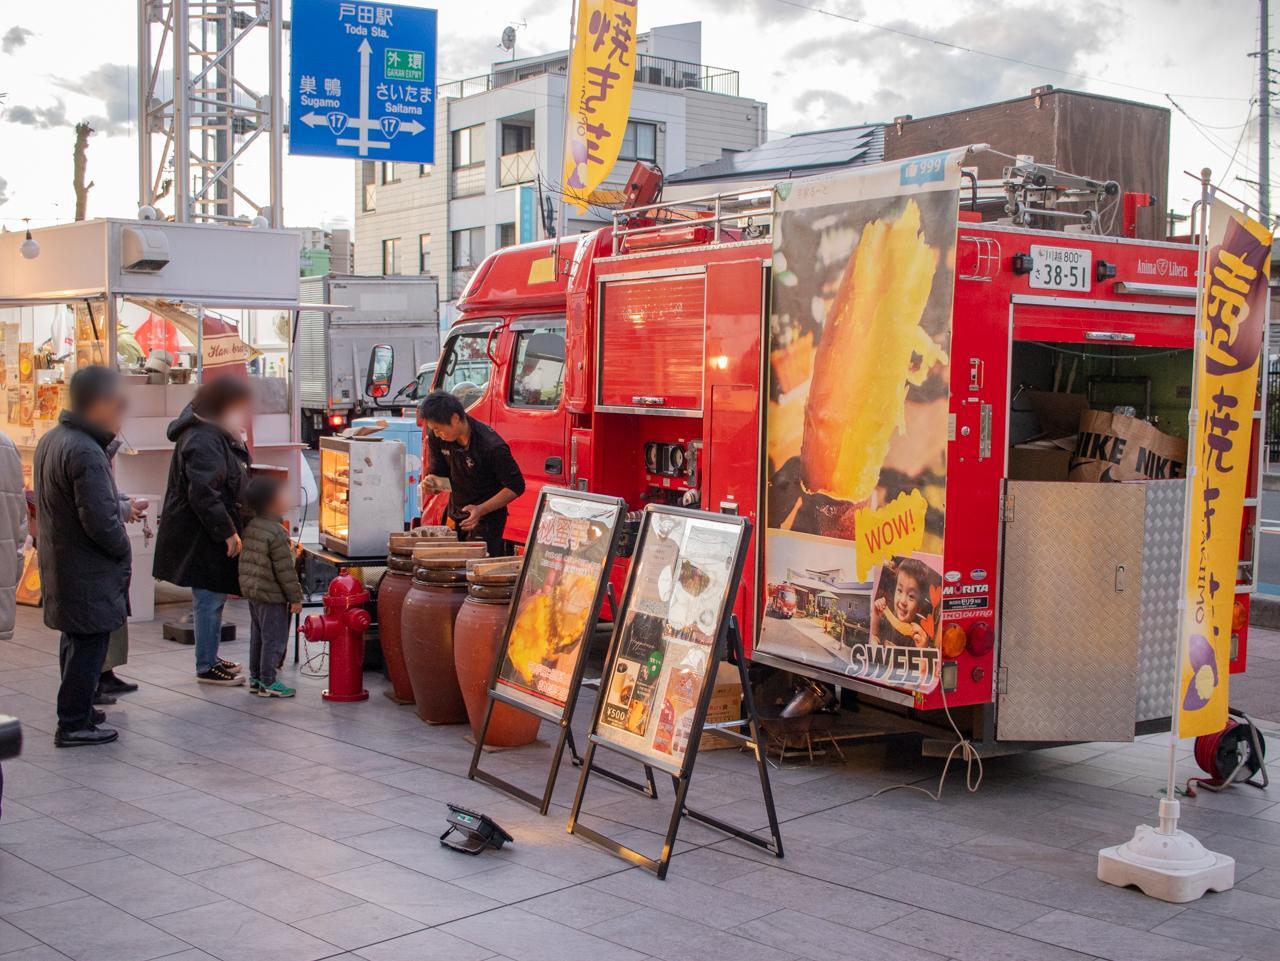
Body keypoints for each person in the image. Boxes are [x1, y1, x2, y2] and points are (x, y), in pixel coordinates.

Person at [34, 366, 131, 747]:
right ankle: (74, 721)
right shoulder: (84, 450)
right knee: (88, 645)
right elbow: (100, 521)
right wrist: (122, 547)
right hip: (85, 569)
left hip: (65, 564)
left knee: (76, 643)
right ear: (101, 404)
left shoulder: (56, 439)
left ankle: (79, 711)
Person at [153, 376, 252, 685]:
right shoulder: (203, 437)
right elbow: (204, 492)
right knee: (209, 597)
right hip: (202, 534)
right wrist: (227, 531)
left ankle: (210, 655)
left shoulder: (212, 433)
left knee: (213, 595)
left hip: (206, 530)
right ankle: (206, 665)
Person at [418, 391, 525, 556]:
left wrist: (480, 509)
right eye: (434, 430)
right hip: (455, 515)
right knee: (452, 568)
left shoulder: (491, 445)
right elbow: (441, 476)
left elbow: (516, 486)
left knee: (477, 570)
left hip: (487, 519)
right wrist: (431, 484)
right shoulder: (437, 438)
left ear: (455, 418)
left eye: (439, 429)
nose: (437, 434)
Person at [238, 476, 302, 698]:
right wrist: (295, 597)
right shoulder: (276, 533)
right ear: (272, 503)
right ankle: (269, 681)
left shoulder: (253, 526)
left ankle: (256, 677)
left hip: (254, 592)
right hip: (273, 595)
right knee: (274, 638)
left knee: (259, 636)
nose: (287, 498)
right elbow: (285, 570)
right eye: (282, 495)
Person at [871, 557, 934, 648]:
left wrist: (922, 650)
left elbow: (920, 660)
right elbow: (874, 637)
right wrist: (875, 615)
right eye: (900, 590)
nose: (903, 601)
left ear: (919, 606)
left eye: (911, 596)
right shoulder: (886, 619)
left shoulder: (918, 636)